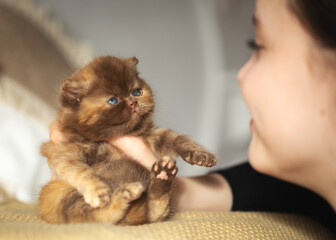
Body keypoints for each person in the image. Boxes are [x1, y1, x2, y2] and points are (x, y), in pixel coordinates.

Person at [49, 0, 336, 232]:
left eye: (258, 45)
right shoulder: (312, 196)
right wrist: (167, 187)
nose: (241, 75)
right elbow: (289, 195)